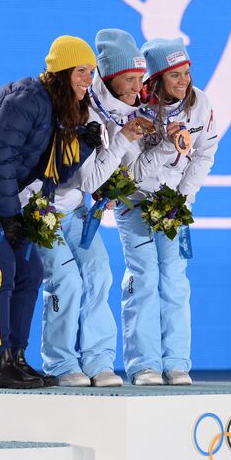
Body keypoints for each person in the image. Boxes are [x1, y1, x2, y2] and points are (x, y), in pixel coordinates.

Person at [0, 35, 99, 389]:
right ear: (61, 71)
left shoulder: (60, 107)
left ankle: (17, 357)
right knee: (1, 270)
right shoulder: (29, 98)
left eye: (91, 72)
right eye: (82, 71)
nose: (88, 80)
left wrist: (85, 146)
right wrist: (12, 216)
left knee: (31, 269)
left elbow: (52, 171)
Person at [21, 30, 150, 387]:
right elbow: (89, 175)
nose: (138, 87)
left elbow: (115, 170)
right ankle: (61, 363)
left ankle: (98, 360)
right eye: (130, 78)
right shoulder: (83, 107)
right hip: (42, 209)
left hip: (77, 210)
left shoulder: (124, 112)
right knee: (66, 281)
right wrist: (120, 144)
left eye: (140, 79)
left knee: (99, 275)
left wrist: (116, 179)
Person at [114, 37, 218, 385]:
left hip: (174, 203)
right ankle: (144, 364)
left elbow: (204, 153)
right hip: (137, 199)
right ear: (156, 78)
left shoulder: (200, 103)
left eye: (187, 73)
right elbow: (133, 173)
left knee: (174, 279)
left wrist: (184, 197)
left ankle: (176, 363)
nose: (184, 81)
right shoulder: (133, 109)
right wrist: (164, 146)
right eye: (175, 75)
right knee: (144, 277)